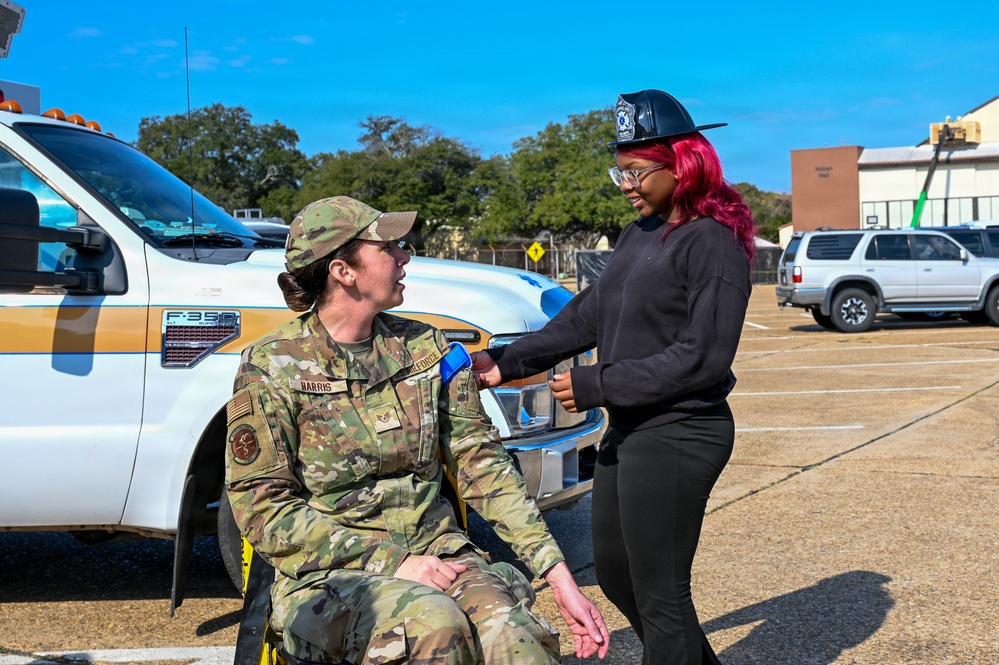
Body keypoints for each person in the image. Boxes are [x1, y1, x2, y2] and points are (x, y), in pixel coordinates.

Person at [223, 196, 609, 665]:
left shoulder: (426, 349)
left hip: (439, 554)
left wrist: (557, 575)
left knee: (513, 635)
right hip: (331, 574)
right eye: (388, 247)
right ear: (343, 271)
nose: (404, 256)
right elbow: (262, 507)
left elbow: (482, 464)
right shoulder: (272, 366)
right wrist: (394, 563)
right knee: (433, 626)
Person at [472, 89, 755, 665]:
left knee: (661, 595)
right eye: (620, 171)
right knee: (619, 576)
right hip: (629, 429)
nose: (626, 184)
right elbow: (586, 317)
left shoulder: (713, 241)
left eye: (637, 171)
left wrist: (597, 385)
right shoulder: (638, 234)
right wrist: (506, 362)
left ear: (683, 164)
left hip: (682, 430)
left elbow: (703, 357)